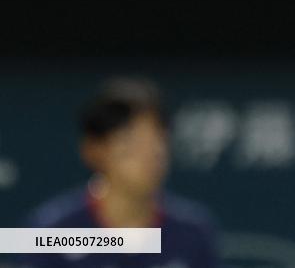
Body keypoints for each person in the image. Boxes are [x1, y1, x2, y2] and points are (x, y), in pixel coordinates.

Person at [22, 78, 218, 268]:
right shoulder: (51, 230)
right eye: (131, 144)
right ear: (94, 150)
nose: (148, 156)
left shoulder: (193, 232)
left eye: (157, 142)